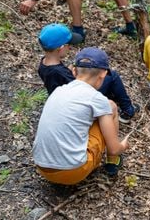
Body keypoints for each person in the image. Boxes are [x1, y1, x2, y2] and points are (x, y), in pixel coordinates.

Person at [33, 47, 130, 184]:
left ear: (73, 71)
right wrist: (123, 146)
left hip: (42, 168)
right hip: (73, 172)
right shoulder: (97, 99)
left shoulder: (59, 90)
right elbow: (115, 147)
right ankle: (112, 160)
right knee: (111, 106)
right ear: (103, 74)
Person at [37, 23, 139, 123]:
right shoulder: (59, 72)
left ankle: (111, 96)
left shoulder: (44, 63)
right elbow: (79, 87)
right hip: (77, 103)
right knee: (112, 76)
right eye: (69, 45)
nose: (70, 48)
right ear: (61, 48)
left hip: (61, 98)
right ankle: (128, 111)